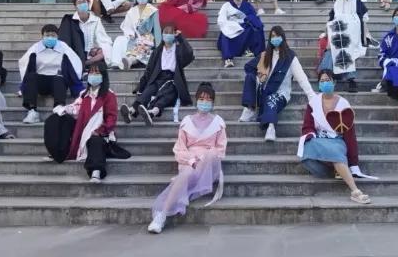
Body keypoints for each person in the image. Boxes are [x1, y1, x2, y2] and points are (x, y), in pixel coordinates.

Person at [147, 82, 227, 234]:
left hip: (209, 163)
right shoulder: (187, 121)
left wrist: (206, 157)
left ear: (212, 102)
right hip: (189, 160)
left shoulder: (218, 122)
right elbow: (179, 149)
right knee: (187, 174)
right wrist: (191, 160)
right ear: (196, 100)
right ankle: (161, 216)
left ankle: (182, 181)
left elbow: (220, 149)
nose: (204, 102)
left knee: (210, 154)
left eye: (208, 100)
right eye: (201, 99)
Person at [297, 70, 371, 204]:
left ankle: (355, 191)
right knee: (308, 146)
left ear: (334, 82)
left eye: (328, 80)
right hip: (319, 140)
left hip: (337, 141)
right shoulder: (313, 102)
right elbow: (307, 126)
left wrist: (353, 162)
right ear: (319, 84)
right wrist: (311, 136)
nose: (325, 83)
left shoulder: (343, 104)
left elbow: (350, 134)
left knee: (335, 151)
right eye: (322, 81)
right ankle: (337, 170)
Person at [240, 26, 317, 142]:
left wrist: (311, 95)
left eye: (278, 36)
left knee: (271, 99)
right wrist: (259, 75)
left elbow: (301, 78)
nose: (275, 38)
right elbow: (248, 67)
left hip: (280, 93)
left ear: (283, 37)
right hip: (263, 91)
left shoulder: (290, 57)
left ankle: (271, 127)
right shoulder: (265, 55)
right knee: (250, 77)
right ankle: (250, 109)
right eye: (273, 36)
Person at [49, 62, 120, 183]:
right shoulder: (84, 94)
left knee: (95, 140)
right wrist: (63, 109)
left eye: (97, 73)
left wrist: (100, 131)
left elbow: (111, 118)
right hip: (84, 130)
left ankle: (96, 171)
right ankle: (57, 150)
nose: (93, 75)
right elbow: (76, 108)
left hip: (102, 134)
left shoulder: (109, 95)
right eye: (91, 72)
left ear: (103, 75)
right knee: (57, 119)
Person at [120, 25, 194, 126]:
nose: (168, 35)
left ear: (174, 35)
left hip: (172, 79)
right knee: (148, 91)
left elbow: (189, 53)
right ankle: (132, 110)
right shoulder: (158, 51)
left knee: (167, 93)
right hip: (158, 77)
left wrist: (180, 38)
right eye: (165, 33)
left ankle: (153, 112)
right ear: (162, 35)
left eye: (170, 33)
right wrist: (141, 86)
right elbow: (149, 69)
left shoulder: (178, 50)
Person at [19, 24, 84, 124]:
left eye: (53, 35)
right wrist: (23, 87)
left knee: (59, 78)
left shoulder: (63, 47)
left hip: (57, 82)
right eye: (47, 35)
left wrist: (77, 86)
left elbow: (75, 63)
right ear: (42, 36)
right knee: (31, 77)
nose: (50, 38)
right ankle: (32, 111)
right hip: (41, 82)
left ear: (57, 36)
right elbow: (25, 64)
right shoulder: (35, 48)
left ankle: (58, 108)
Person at [317, 0, 374, 93]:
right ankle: (325, 77)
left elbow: (363, 19)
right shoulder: (337, 3)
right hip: (338, 33)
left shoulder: (357, 2)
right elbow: (332, 20)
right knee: (330, 51)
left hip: (353, 35)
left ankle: (350, 80)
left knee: (348, 50)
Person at [111, 0, 162, 70]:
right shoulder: (132, 11)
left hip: (147, 37)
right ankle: (116, 62)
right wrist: (130, 34)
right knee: (119, 39)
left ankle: (129, 61)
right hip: (133, 36)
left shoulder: (153, 11)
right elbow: (127, 26)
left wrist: (159, 46)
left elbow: (157, 29)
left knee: (142, 44)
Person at [58, 0, 114, 68]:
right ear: (75, 7)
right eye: (79, 3)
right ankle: (84, 63)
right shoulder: (70, 20)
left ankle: (86, 63)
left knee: (104, 50)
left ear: (88, 4)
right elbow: (65, 39)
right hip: (76, 51)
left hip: (91, 53)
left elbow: (102, 38)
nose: (82, 4)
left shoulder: (96, 20)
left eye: (84, 2)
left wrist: (98, 48)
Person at [216, 0, 265, 68]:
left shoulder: (248, 5)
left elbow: (253, 17)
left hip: (244, 28)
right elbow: (221, 19)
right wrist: (231, 25)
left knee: (254, 27)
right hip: (230, 28)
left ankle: (248, 49)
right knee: (225, 34)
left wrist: (247, 20)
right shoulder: (226, 5)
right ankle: (228, 59)